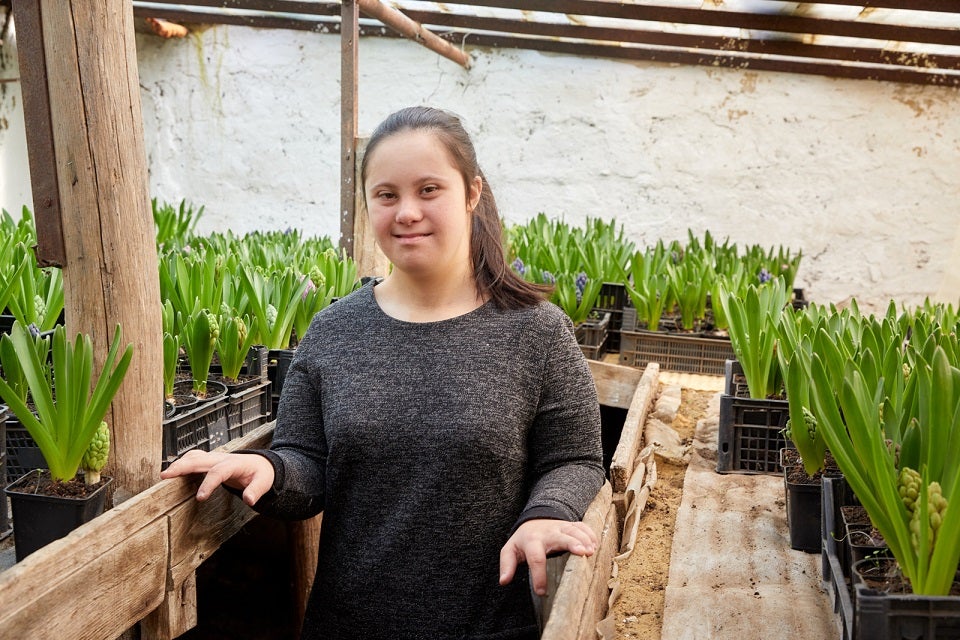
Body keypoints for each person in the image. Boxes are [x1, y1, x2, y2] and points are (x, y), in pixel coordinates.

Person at [161, 105, 605, 639]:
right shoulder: (332, 331)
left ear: (472, 193)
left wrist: (546, 512)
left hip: (486, 628)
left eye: (429, 190)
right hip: (346, 626)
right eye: (387, 195)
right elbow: (308, 463)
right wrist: (268, 471)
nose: (407, 212)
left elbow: (575, 458)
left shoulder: (536, 331)